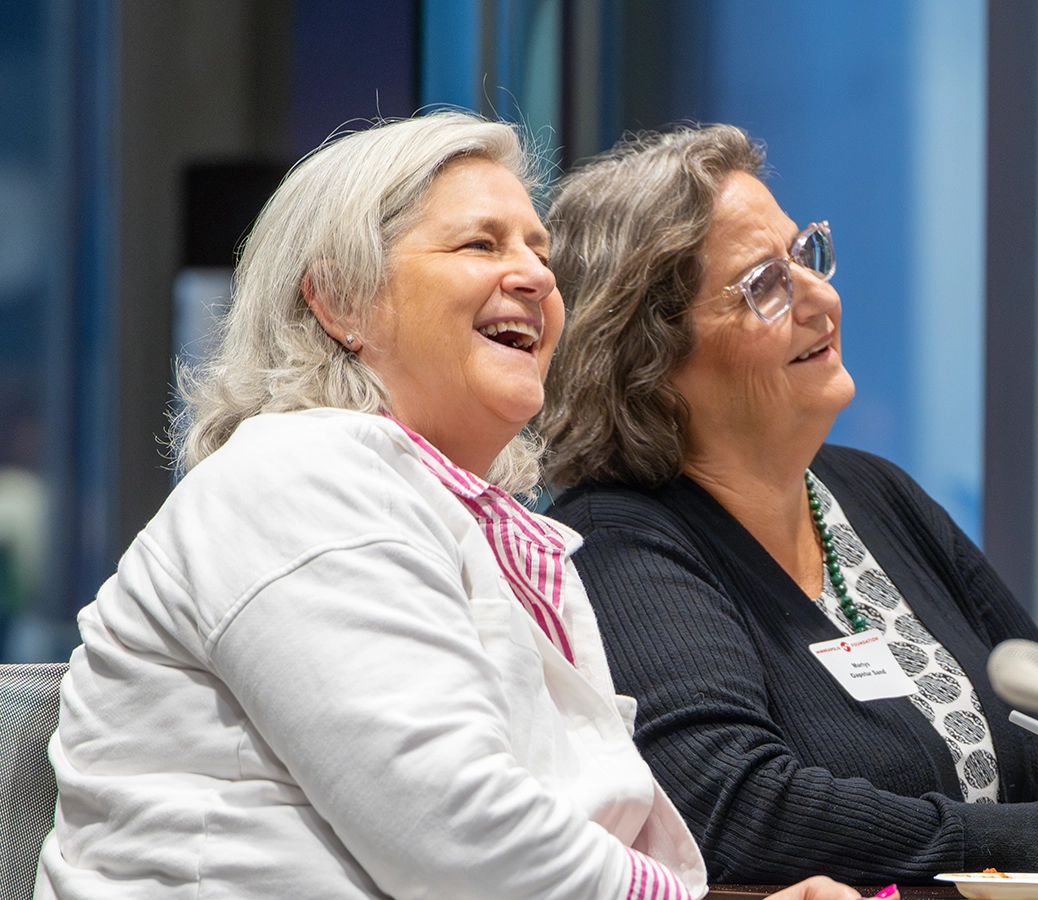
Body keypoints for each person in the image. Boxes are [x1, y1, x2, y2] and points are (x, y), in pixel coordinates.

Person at [37, 112, 864, 900]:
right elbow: (458, 833)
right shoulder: (299, 476)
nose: (538, 275)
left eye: (540, 251)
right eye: (481, 243)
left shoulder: (465, 517)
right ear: (341, 303)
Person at [536, 125, 1038, 885]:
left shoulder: (871, 491)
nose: (820, 297)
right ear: (650, 356)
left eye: (804, 255)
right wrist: (1024, 833)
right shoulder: (617, 540)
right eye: (764, 285)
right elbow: (732, 804)